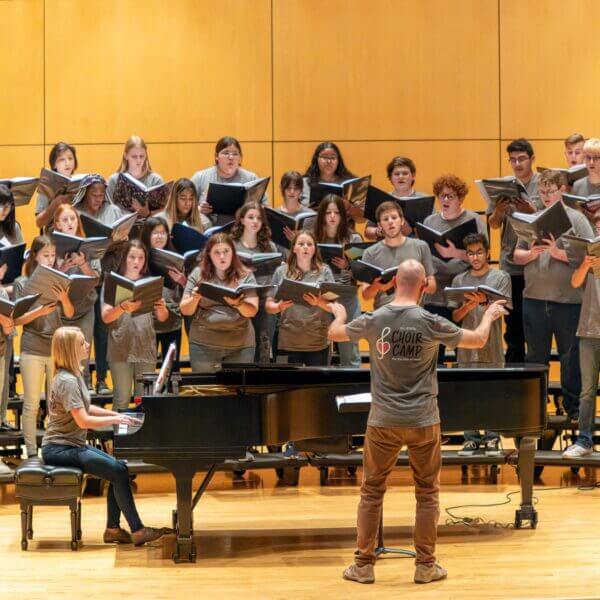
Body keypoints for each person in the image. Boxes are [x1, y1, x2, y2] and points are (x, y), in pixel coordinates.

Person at [327, 259, 506, 585]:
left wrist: (339, 314)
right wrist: (489, 315)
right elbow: (478, 340)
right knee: (427, 492)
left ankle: (363, 566)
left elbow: (335, 333)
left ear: (395, 282)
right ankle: (425, 566)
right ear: (424, 286)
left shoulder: (376, 318)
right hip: (423, 420)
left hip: (383, 420)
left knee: (371, 492)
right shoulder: (430, 321)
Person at [41, 326, 166, 546]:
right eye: (82, 343)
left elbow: (87, 408)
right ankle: (137, 530)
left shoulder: (74, 374)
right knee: (118, 470)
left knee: (120, 469)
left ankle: (113, 529)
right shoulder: (67, 381)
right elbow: (83, 421)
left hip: (71, 445)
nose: (88, 345)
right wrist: (116, 421)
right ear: (69, 349)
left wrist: (117, 415)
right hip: (59, 449)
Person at [513, 170, 594, 419]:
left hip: (568, 301)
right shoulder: (532, 219)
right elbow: (517, 256)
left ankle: (573, 409)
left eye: (550, 191)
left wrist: (558, 253)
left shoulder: (576, 219)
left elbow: (592, 254)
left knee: (570, 358)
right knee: (535, 357)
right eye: (542, 192)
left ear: (562, 190)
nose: (546, 196)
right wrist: (532, 254)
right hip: (534, 299)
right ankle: (535, 411)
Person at [448, 233, 511, 456]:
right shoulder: (459, 280)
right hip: (466, 346)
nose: (475, 257)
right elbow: (455, 317)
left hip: (491, 344)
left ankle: (492, 437)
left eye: (479, 252)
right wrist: (469, 305)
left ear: (488, 253)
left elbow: (505, 309)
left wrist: (484, 301)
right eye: (471, 253)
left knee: (492, 392)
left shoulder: (500, 277)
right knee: (468, 393)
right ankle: (471, 438)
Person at [14, 235, 75, 456]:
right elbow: (16, 319)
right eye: (45, 255)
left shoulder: (60, 279)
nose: (50, 259)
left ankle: (52, 450)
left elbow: (70, 314)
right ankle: (31, 453)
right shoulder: (22, 282)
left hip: (55, 349)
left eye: (52, 255)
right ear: (34, 256)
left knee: (55, 404)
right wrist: (39, 312)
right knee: (31, 404)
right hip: (32, 348)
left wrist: (64, 299)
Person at [422, 174, 487, 362]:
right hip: (435, 297)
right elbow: (425, 256)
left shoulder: (474, 220)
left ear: (461, 198)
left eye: (450, 196)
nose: (445, 200)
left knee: (466, 354)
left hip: (465, 297)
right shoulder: (430, 222)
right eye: (441, 196)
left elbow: (484, 255)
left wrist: (454, 253)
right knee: (433, 356)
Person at [487, 138, 541, 363]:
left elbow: (551, 219)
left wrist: (531, 210)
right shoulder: (503, 186)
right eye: (512, 160)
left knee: (536, 323)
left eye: (521, 159)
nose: (517, 164)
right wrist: (499, 210)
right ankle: (515, 371)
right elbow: (493, 223)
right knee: (513, 324)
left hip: (537, 263)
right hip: (510, 264)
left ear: (532, 159)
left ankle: (537, 371)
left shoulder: (543, 184)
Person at [72, 174, 127, 395]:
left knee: (104, 331)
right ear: (84, 194)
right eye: (93, 194)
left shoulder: (113, 211)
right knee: (83, 333)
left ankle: (102, 379)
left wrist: (113, 242)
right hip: (84, 278)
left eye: (101, 194)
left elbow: (123, 242)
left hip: (107, 275)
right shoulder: (76, 213)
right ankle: (84, 378)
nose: (98, 198)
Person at [101, 239, 168, 410]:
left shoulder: (150, 282)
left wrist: (162, 308)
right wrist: (123, 307)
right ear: (124, 258)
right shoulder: (113, 281)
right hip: (120, 347)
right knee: (121, 399)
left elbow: (162, 318)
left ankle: (143, 429)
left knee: (144, 400)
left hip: (145, 346)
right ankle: (120, 429)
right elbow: (106, 317)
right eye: (132, 257)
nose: (136, 261)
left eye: (141, 257)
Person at [181, 233, 259, 372]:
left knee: (238, 386)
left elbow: (252, 311)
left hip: (241, 344)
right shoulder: (198, 273)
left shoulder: (245, 274)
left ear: (233, 253)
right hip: (203, 343)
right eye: (217, 252)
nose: (222, 256)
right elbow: (185, 310)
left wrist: (238, 304)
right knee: (205, 384)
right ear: (209, 254)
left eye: (226, 251)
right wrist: (195, 298)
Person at [265, 231, 334, 366]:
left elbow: (334, 307)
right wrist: (279, 307)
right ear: (294, 249)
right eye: (301, 244)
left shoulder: (325, 272)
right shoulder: (281, 271)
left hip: (317, 341)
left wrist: (318, 302)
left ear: (315, 249)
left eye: (309, 244)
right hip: (288, 340)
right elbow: (268, 306)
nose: (305, 247)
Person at [563, 210, 600, 457]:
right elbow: (575, 282)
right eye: (597, 229)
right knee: (587, 390)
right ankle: (585, 441)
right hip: (589, 329)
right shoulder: (588, 256)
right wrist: (586, 264)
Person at [52, 204, 101, 391]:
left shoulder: (89, 246)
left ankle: (84, 391)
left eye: (72, 219)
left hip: (85, 309)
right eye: (65, 220)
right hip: (61, 310)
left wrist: (83, 264)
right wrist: (62, 268)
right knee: (62, 356)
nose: (70, 223)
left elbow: (96, 279)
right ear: (57, 224)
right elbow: (47, 279)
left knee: (83, 355)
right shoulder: (52, 247)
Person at [313, 194, 363, 366]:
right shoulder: (314, 239)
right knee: (318, 348)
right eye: (328, 212)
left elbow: (362, 273)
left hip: (346, 296)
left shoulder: (353, 239)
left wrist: (347, 266)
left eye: (336, 212)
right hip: (322, 296)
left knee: (349, 350)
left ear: (343, 215)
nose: (332, 216)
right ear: (322, 216)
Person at [361, 201, 435, 310]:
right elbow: (365, 295)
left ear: (402, 221)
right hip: (383, 312)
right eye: (385, 219)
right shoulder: (369, 252)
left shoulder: (421, 246)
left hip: (413, 311)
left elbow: (432, 288)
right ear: (379, 225)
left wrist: (423, 282)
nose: (390, 222)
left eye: (394, 217)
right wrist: (377, 286)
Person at [230, 201, 279, 363]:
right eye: (251, 217)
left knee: (262, 348)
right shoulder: (232, 245)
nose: (255, 221)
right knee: (240, 349)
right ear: (242, 220)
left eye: (259, 218)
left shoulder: (270, 246)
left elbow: (275, 275)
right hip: (241, 301)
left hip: (264, 302)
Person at [140, 217, 185, 372]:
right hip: (146, 325)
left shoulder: (177, 258)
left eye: (163, 233)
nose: (159, 236)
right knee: (145, 373)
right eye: (155, 233)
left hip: (172, 323)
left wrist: (182, 281)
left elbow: (186, 294)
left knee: (172, 372)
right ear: (147, 235)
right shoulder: (139, 258)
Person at [191, 136, 264, 226]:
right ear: (216, 156)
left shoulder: (251, 178)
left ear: (240, 158)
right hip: (209, 227)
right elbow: (184, 207)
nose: (231, 157)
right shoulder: (200, 177)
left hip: (243, 226)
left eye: (235, 154)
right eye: (226, 153)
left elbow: (264, 207)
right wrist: (199, 209)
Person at [0, 183, 25, 428]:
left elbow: (19, 265)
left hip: (8, 295)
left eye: (6, 206)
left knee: (6, 360)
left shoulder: (14, 229)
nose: (2, 211)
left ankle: (2, 416)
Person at [365, 156, 428, 240]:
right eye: (397, 174)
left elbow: (431, 235)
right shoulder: (381, 198)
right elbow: (367, 231)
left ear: (412, 176)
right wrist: (380, 231)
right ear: (390, 178)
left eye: (405, 173)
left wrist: (410, 233)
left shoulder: (425, 199)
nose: (401, 177)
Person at [302, 141, 363, 223]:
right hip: (312, 228)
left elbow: (361, 220)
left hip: (344, 230)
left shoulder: (352, 183)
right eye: (324, 157)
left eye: (333, 157)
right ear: (316, 159)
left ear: (338, 161)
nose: (328, 161)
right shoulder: (303, 183)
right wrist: (307, 211)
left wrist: (349, 207)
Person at [106, 135, 165, 216]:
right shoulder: (114, 180)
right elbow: (106, 210)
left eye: (142, 156)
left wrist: (148, 213)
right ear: (126, 156)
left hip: (148, 223)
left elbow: (164, 212)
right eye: (134, 156)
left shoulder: (155, 180)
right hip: (121, 223)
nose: (139, 160)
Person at [35, 142, 79, 230]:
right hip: (53, 234)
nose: (67, 163)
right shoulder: (47, 185)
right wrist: (54, 205)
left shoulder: (80, 183)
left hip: (76, 233)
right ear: (54, 164)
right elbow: (39, 223)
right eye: (62, 159)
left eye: (70, 158)